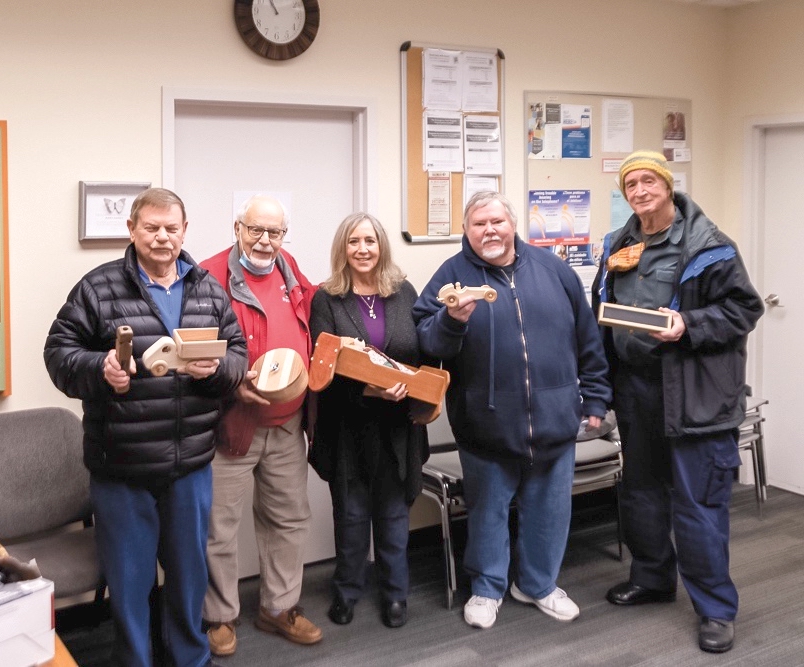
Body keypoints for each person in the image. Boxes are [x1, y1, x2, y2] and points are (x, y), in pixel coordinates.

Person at [44, 187, 247, 667]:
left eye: (170, 228)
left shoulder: (207, 289)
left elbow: (238, 354)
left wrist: (215, 371)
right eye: (151, 228)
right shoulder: (98, 287)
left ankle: (190, 659)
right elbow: (58, 354)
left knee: (188, 578)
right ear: (132, 230)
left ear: (184, 231)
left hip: (190, 463)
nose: (161, 237)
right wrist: (100, 370)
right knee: (130, 584)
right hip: (123, 466)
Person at [413, 191, 611, 630]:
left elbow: (588, 339)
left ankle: (538, 585)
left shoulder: (553, 269)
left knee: (550, 510)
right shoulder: (452, 276)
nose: (490, 231)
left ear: (513, 224)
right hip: (486, 424)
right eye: (479, 224)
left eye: (497, 222)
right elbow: (426, 341)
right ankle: (487, 587)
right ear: (466, 230)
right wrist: (454, 320)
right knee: (487, 512)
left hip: (555, 419)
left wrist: (596, 398)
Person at [594, 151, 763, 654]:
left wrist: (690, 325)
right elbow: (602, 315)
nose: (640, 191)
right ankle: (652, 578)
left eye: (649, 181)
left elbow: (743, 309)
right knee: (641, 493)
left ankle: (714, 609)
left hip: (695, 391)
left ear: (668, 187)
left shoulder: (710, 245)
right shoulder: (617, 243)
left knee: (698, 502)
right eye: (631, 184)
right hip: (637, 391)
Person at [199, 195, 321, 656]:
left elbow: (313, 310)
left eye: (275, 232)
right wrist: (232, 386)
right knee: (218, 527)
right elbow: (194, 350)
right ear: (237, 228)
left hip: (286, 423)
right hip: (233, 424)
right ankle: (219, 617)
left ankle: (278, 608)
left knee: (289, 520)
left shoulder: (288, 267)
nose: (265, 241)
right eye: (256, 230)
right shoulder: (209, 275)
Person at [308, 213, 429, 629]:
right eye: (354, 241)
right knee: (353, 517)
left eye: (370, 241)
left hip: (398, 427)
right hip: (348, 427)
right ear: (343, 248)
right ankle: (347, 591)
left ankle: (396, 595)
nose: (362, 249)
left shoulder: (404, 292)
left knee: (395, 518)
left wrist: (406, 387)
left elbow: (420, 352)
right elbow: (322, 366)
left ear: (382, 247)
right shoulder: (327, 299)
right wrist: (367, 390)